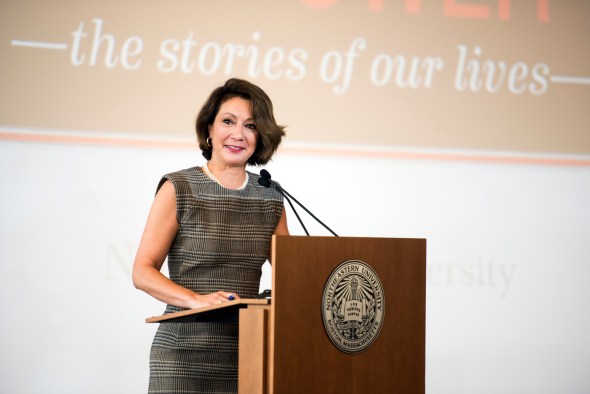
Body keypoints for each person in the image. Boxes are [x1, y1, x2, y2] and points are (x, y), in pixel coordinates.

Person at [132, 78, 289, 393]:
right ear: (209, 130)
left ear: (261, 137)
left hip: (248, 352)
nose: (237, 134)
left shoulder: (270, 196)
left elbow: (293, 275)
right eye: (228, 122)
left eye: (251, 126)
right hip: (183, 350)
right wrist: (195, 300)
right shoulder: (180, 187)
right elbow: (142, 272)